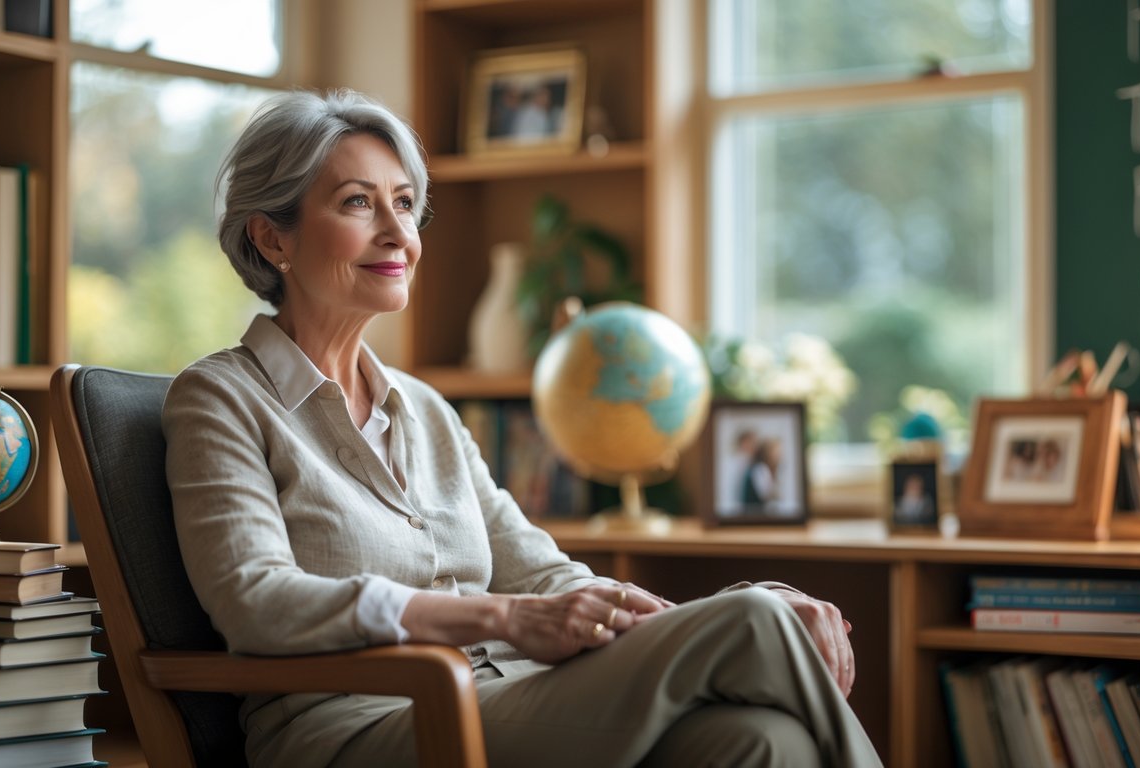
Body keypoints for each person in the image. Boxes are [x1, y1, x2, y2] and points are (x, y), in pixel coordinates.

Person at [162, 89, 882, 768]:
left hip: (508, 688)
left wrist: (699, 617)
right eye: (358, 203)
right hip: (351, 724)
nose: (398, 235)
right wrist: (501, 618)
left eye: (406, 205)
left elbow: (544, 574)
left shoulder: (425, 409)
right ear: (270, 237)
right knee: (759, 619)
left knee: (761, 740)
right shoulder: (220, 398)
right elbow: (256, 602)